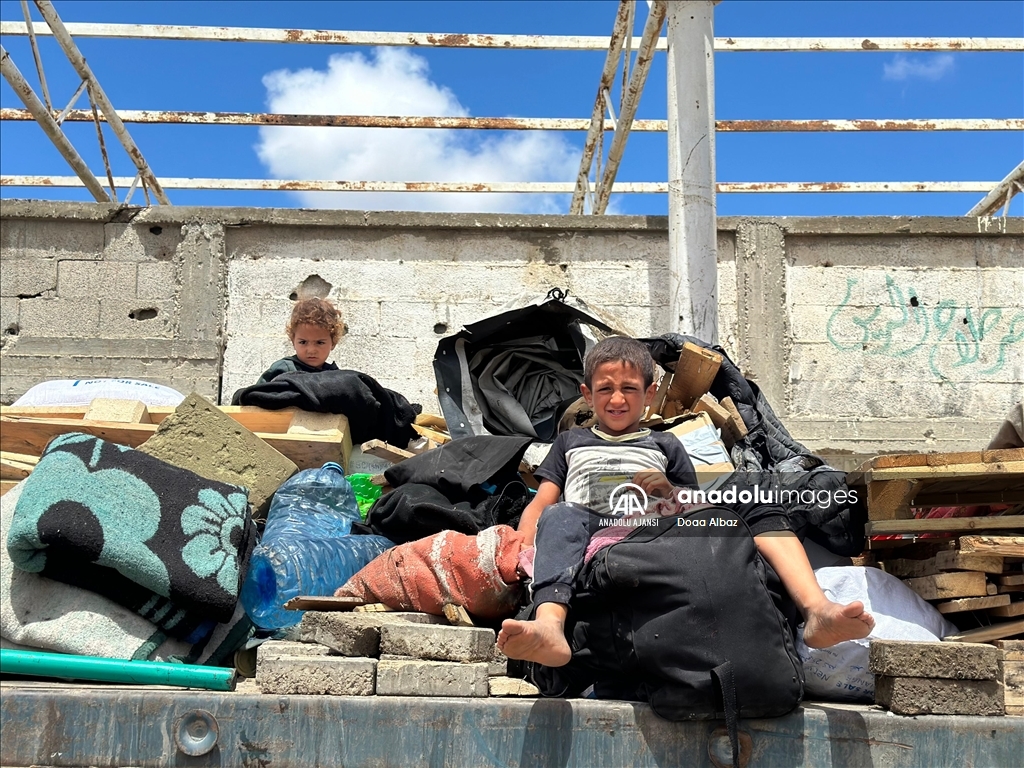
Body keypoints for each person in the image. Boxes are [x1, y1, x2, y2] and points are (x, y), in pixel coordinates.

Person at [497, 336, 875, 668]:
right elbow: (543, 501)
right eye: (605, 389)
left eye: (629, 389)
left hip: (648, 528)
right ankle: (549, 626)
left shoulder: (664, 444)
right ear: (587, 394)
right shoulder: (571, 442)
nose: (616, 399)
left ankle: (816, 609)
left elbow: (694, 509)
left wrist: (666, 490)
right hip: (589, 524)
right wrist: (522, 541)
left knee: (755, 498)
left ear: (649, 394)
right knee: (562, 515)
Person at [255, 298, 344, 385]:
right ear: (293, 341)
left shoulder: (336, 378)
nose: (311, 350)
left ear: (333, 342)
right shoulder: (283, 370)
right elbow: (255, 396)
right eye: (303, 342)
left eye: (320, 342)